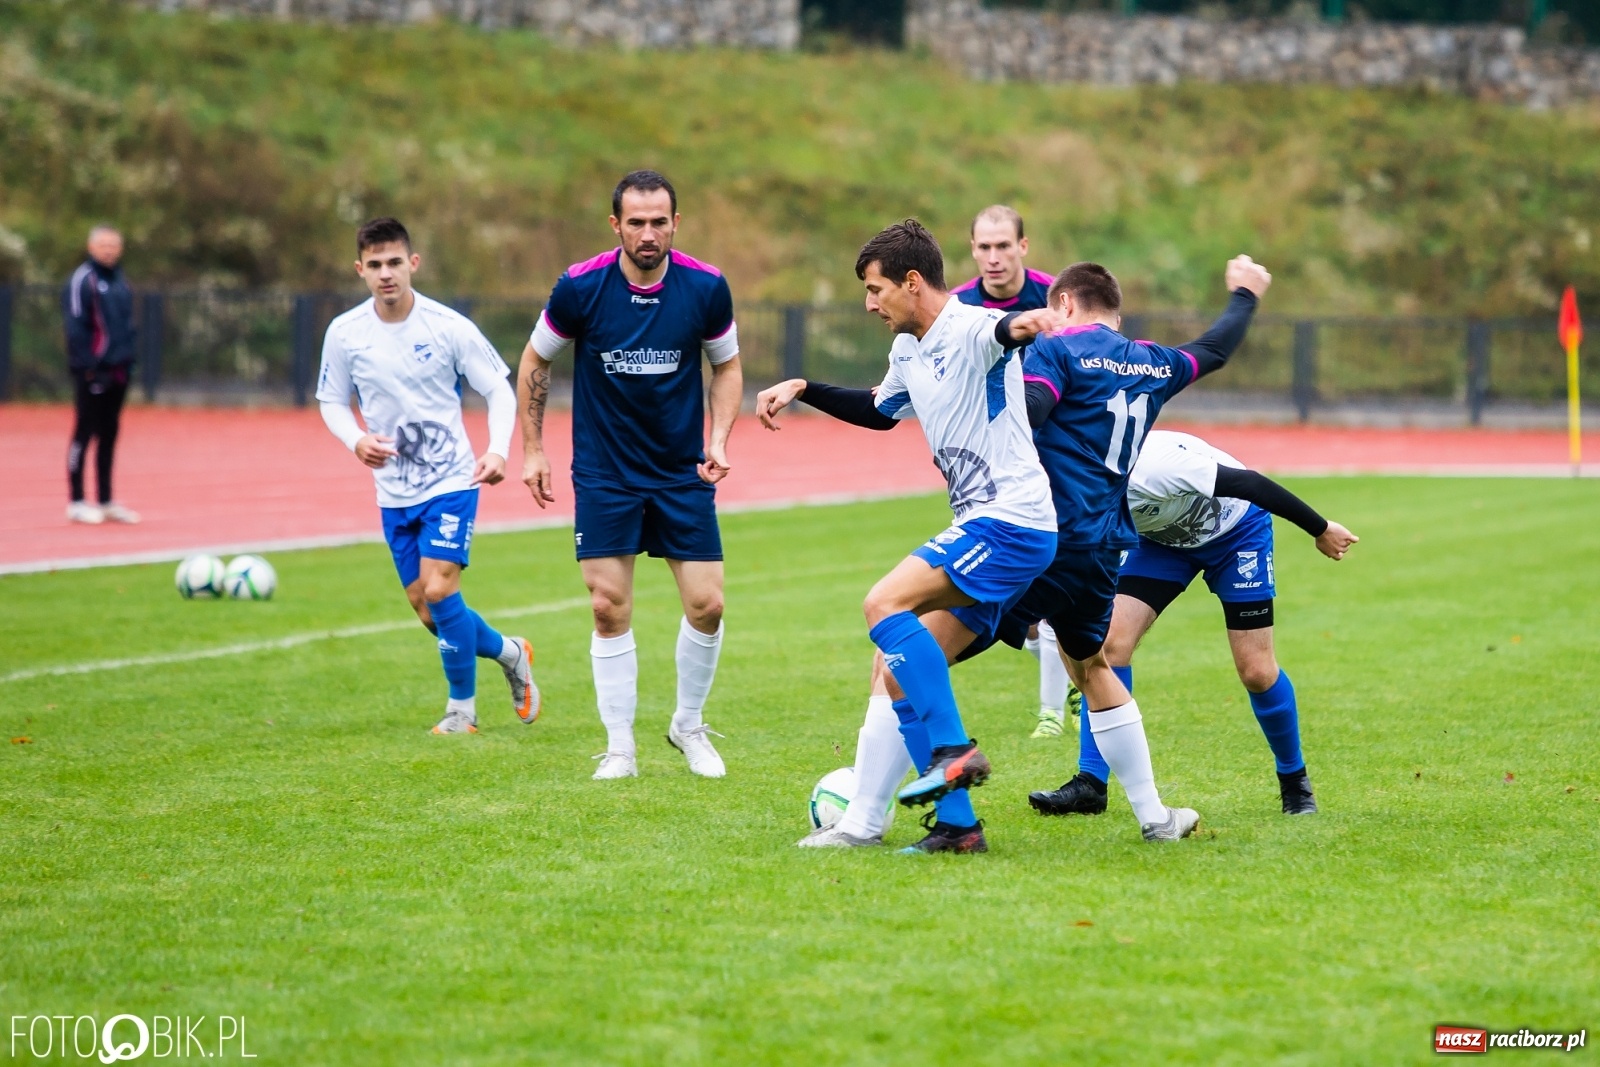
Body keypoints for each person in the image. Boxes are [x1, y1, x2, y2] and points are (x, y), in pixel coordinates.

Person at [799, 255, 1270, 848]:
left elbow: (1032, 411)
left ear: (1065, 304)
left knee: (894, 662)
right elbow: (1216, 349)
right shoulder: (1153, 360)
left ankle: (877, 821)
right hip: (1105, 548)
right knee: (1091, 667)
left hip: (1038, 537)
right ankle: (1156, 818)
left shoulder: (1058, 351)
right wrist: (1244, 296)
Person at [756, 219, 1065, 854]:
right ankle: (956, 827)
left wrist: (1031, 323)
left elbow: (1007, 331)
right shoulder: (907, 349)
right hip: (983, 524)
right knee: (894, 670)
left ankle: (954, 750)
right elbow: (879, 412)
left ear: (912, 282)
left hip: (1012, 519)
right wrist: (804, 387)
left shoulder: (972, 326)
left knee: (882, 604)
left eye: (875, 290)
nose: (870, 304)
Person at [517, 170, 743, 781]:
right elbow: (536, 358)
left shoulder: (706, 287)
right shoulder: (579, 287)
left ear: (676, 223)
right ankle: (620, 746)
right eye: (636, 222)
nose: (648, 233)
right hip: (605, 472)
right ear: (615, 224)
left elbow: (726, 367)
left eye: (659, 221)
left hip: (679, 471)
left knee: (708, 604)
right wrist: (532, 450)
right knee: (607, 606)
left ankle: (687, 725)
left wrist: (717, 438)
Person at [1031, 429, 1359, 818]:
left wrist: (1321, 529)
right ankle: (1091, 783)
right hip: (1160, 545)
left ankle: (1294, 780)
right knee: (1106, 645)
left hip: (1237, 533)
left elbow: (1250, 483)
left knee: (1256, 670)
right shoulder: (1064, 483)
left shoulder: (1155, 467)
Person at [316, 217, 538, 735]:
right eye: (375, 265)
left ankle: (461, 711)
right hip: (393, 490)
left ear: (413, 263)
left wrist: (498, 450)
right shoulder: (345, 333)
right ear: (360, 270)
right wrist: (356, 440)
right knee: (425, 608)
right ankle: (511, 653)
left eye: (395, 262)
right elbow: (330, 400)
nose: (386, 274)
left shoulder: (449, 326)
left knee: (440, 591)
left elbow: (499, 390)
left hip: (451, 481)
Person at [954, 205, 1075, 739]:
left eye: (1004, 245)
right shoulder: (959, 306)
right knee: (1022, 615)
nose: (994, 257)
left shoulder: (1056, 299)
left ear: (1024, 246)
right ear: (973, 249)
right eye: (984, 247)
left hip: (1054, 455)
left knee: (1049, 587)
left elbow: (1092, 356)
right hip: (990, 464)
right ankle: (1066, 663)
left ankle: (1051, 713)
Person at [63, 225, 140, 525]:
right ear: (91, 246)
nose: (108, 250)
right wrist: (88, 366)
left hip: (119, 370)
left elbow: (125, 326)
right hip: (93, 372)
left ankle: (106, 499)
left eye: (113, 244)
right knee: (84, 432)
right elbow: (75, 327)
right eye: (103, 244)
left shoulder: (120, 281)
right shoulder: (83, 279)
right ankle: (77, 500)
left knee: (109, 433)